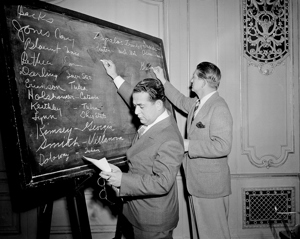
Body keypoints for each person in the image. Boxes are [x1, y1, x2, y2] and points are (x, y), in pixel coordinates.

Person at [99, 60, 184, 239]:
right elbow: (136, 98)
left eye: (141, 107)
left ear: (159, 105)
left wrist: (123, 179)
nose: (136, 112)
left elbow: (162, 182)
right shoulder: (156, 115)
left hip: (153, 221)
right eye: (135, 105)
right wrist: (115, 76)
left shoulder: (170, 138)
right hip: (138, 212)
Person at [153, 62, 233, 239]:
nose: (191, 80)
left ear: (204, 81)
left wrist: (190, 145)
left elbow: (223, 145)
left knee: (214, 235)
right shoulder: (199, 104)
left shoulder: (218, 106)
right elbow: (180, 99)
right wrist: (162, 80)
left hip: (210, 188)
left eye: (195, 76)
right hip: (197, 184)